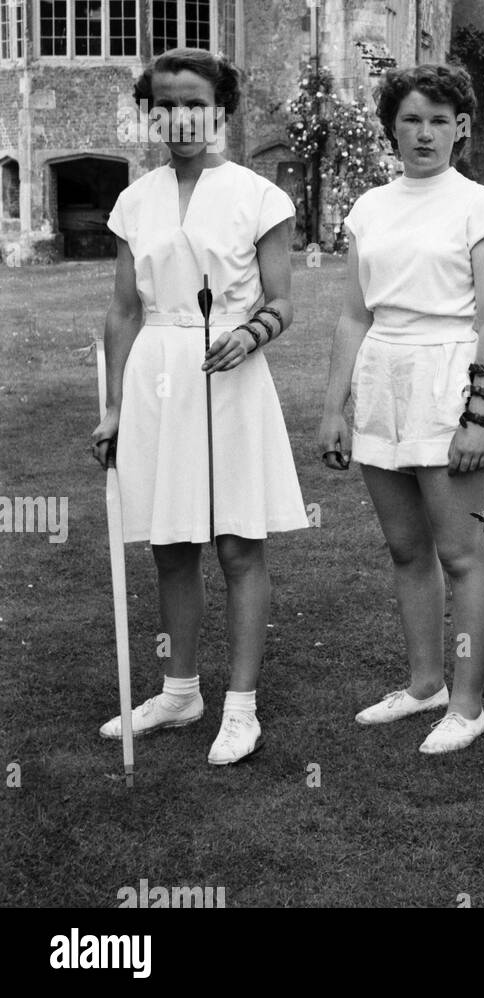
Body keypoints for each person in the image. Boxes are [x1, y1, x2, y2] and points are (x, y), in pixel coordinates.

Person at [92, 48, 308, 767]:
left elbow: (282, 302)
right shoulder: (135, 200)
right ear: (149, 111)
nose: (180, 117)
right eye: (165, 103)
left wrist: (250, 334)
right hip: (157, 373)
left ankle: (240, 708)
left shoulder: (258, 195)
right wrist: (116, 407)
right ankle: (180, 691)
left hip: (230, 373)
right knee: (171, 544)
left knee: (239, 544)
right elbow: (123, 312)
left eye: (195, 103)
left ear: (221, 110)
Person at [318, 64, 484, 754]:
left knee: (461, 552)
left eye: (439, 119)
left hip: (448, 378)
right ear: (391, 128)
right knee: (406, 549)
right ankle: (425, 682)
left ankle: (467, 703)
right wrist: (335, 407)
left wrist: (478, 414)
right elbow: (352, 316)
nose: (424, 133)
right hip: (382, 378)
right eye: (411, 119)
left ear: (461, 127)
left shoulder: (478, 208)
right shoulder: (370, 208)